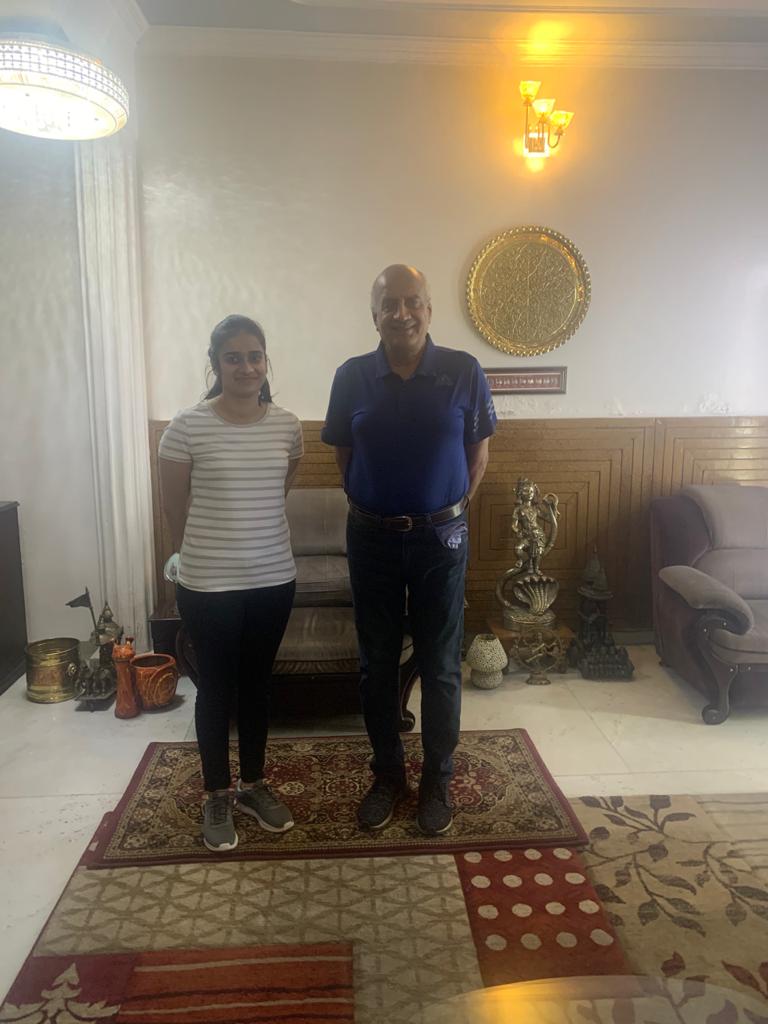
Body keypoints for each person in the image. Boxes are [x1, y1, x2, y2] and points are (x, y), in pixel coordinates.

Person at [321, 264, 496, 836]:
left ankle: (437, 780)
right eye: (389, 304)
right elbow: (343, 457)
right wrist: (376, 505)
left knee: (441, 666)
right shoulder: (351, 376)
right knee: (375, 665)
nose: (402, 313)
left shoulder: (464, 371)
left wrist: (448, 512)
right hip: (371, 537)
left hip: (441, 540)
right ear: (374, 315)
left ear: (428, 308)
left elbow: (478, 456)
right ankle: (388, 776)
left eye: (412, 301)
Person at [159, 314, 303, 852]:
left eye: (255, 356)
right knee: (216, 688)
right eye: (233, 357)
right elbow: (174, 509)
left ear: (266, 362)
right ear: (216, 365)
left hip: (272, 579)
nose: (246, 367)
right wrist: (200, 552)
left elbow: (277, 490)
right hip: (207, 583)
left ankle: (253, 785)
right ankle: (216, 793)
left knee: (258, 685)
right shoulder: (186, 427)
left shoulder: (287, 426)